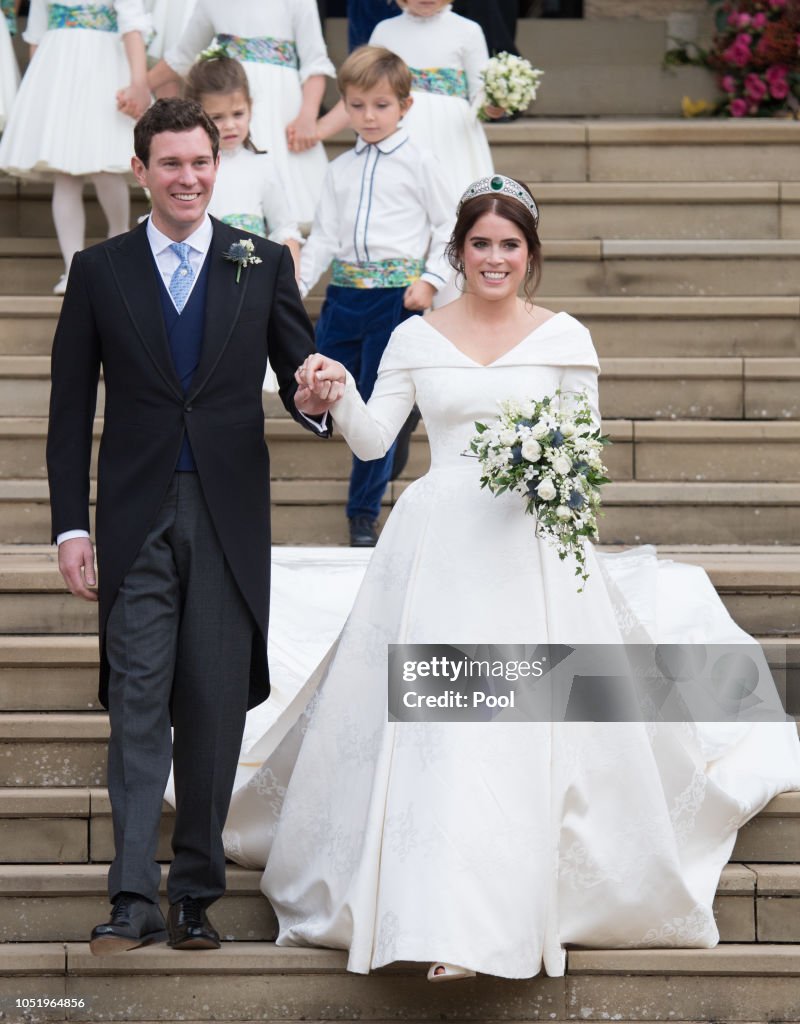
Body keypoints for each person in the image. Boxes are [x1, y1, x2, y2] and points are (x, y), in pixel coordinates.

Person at [219, 175, 800, 980]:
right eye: (480, 244)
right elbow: (370, 440)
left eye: (510, 245)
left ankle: (491, 922)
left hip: (531, 555)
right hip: (437, 554)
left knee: (516, 735)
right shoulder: (416, 335)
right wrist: (340, 393)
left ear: (531, 256)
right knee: (440, 731)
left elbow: (583, 452)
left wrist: (554, 480)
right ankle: (436, 919)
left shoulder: (566, 338)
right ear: (456, 252)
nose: (494, 259)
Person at [46, 97, 340, 956]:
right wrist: (70, 527)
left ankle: (196, 894)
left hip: (227, 516)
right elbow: (69, 416)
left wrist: (317, 399)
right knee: (138, 700)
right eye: (170, 164)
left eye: (201, 163)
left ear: (221, 166)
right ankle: (132, 896)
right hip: (134, 520)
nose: (187, 178)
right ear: (140, 171)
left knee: (212, 707)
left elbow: (301, 377)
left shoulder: (261, 263)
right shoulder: (101, 270)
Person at [299, 45, 452, 547]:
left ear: (404, 107)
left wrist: (430, 279)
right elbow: (322, 237)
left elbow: (448, 223)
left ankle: (362, 513)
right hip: (343, 297)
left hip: (395, 299)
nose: (368, 116)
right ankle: (395, 434)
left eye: (381, 105)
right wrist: (294, 286)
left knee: (376, 406)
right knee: (320, 389)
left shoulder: (420, 161)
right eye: (358, 105)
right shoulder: (340, 169)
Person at [133, 0, 336, 226]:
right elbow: (183, 54)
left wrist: (308, 115)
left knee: (288, 205)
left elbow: (315, 62)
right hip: (224, 98)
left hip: (278, 109)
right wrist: (140, 88)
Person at [0, 0, 151, 294]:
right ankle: (73, 268)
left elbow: (132, 25)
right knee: (65, 174)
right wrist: (39, 92)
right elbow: (35, 35)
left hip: (103, 67)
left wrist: (139, 83)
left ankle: (119, 247)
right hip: (57, 72)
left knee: (105, 165)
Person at [316, 0, 497, 204]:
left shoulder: (468, 30)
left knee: (452, 187)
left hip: (451, 131)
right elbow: (367, 85)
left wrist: (494, 105)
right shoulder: (385, 30)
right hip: (401, 125)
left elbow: (479, 89)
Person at [185, 54, 302, 269]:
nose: (230, 125)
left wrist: (290, 287)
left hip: (252, 279)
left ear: (250, 107)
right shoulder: (188, 170)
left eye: (238, 114)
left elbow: (284, 229)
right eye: (217, 117)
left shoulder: (263, 167)